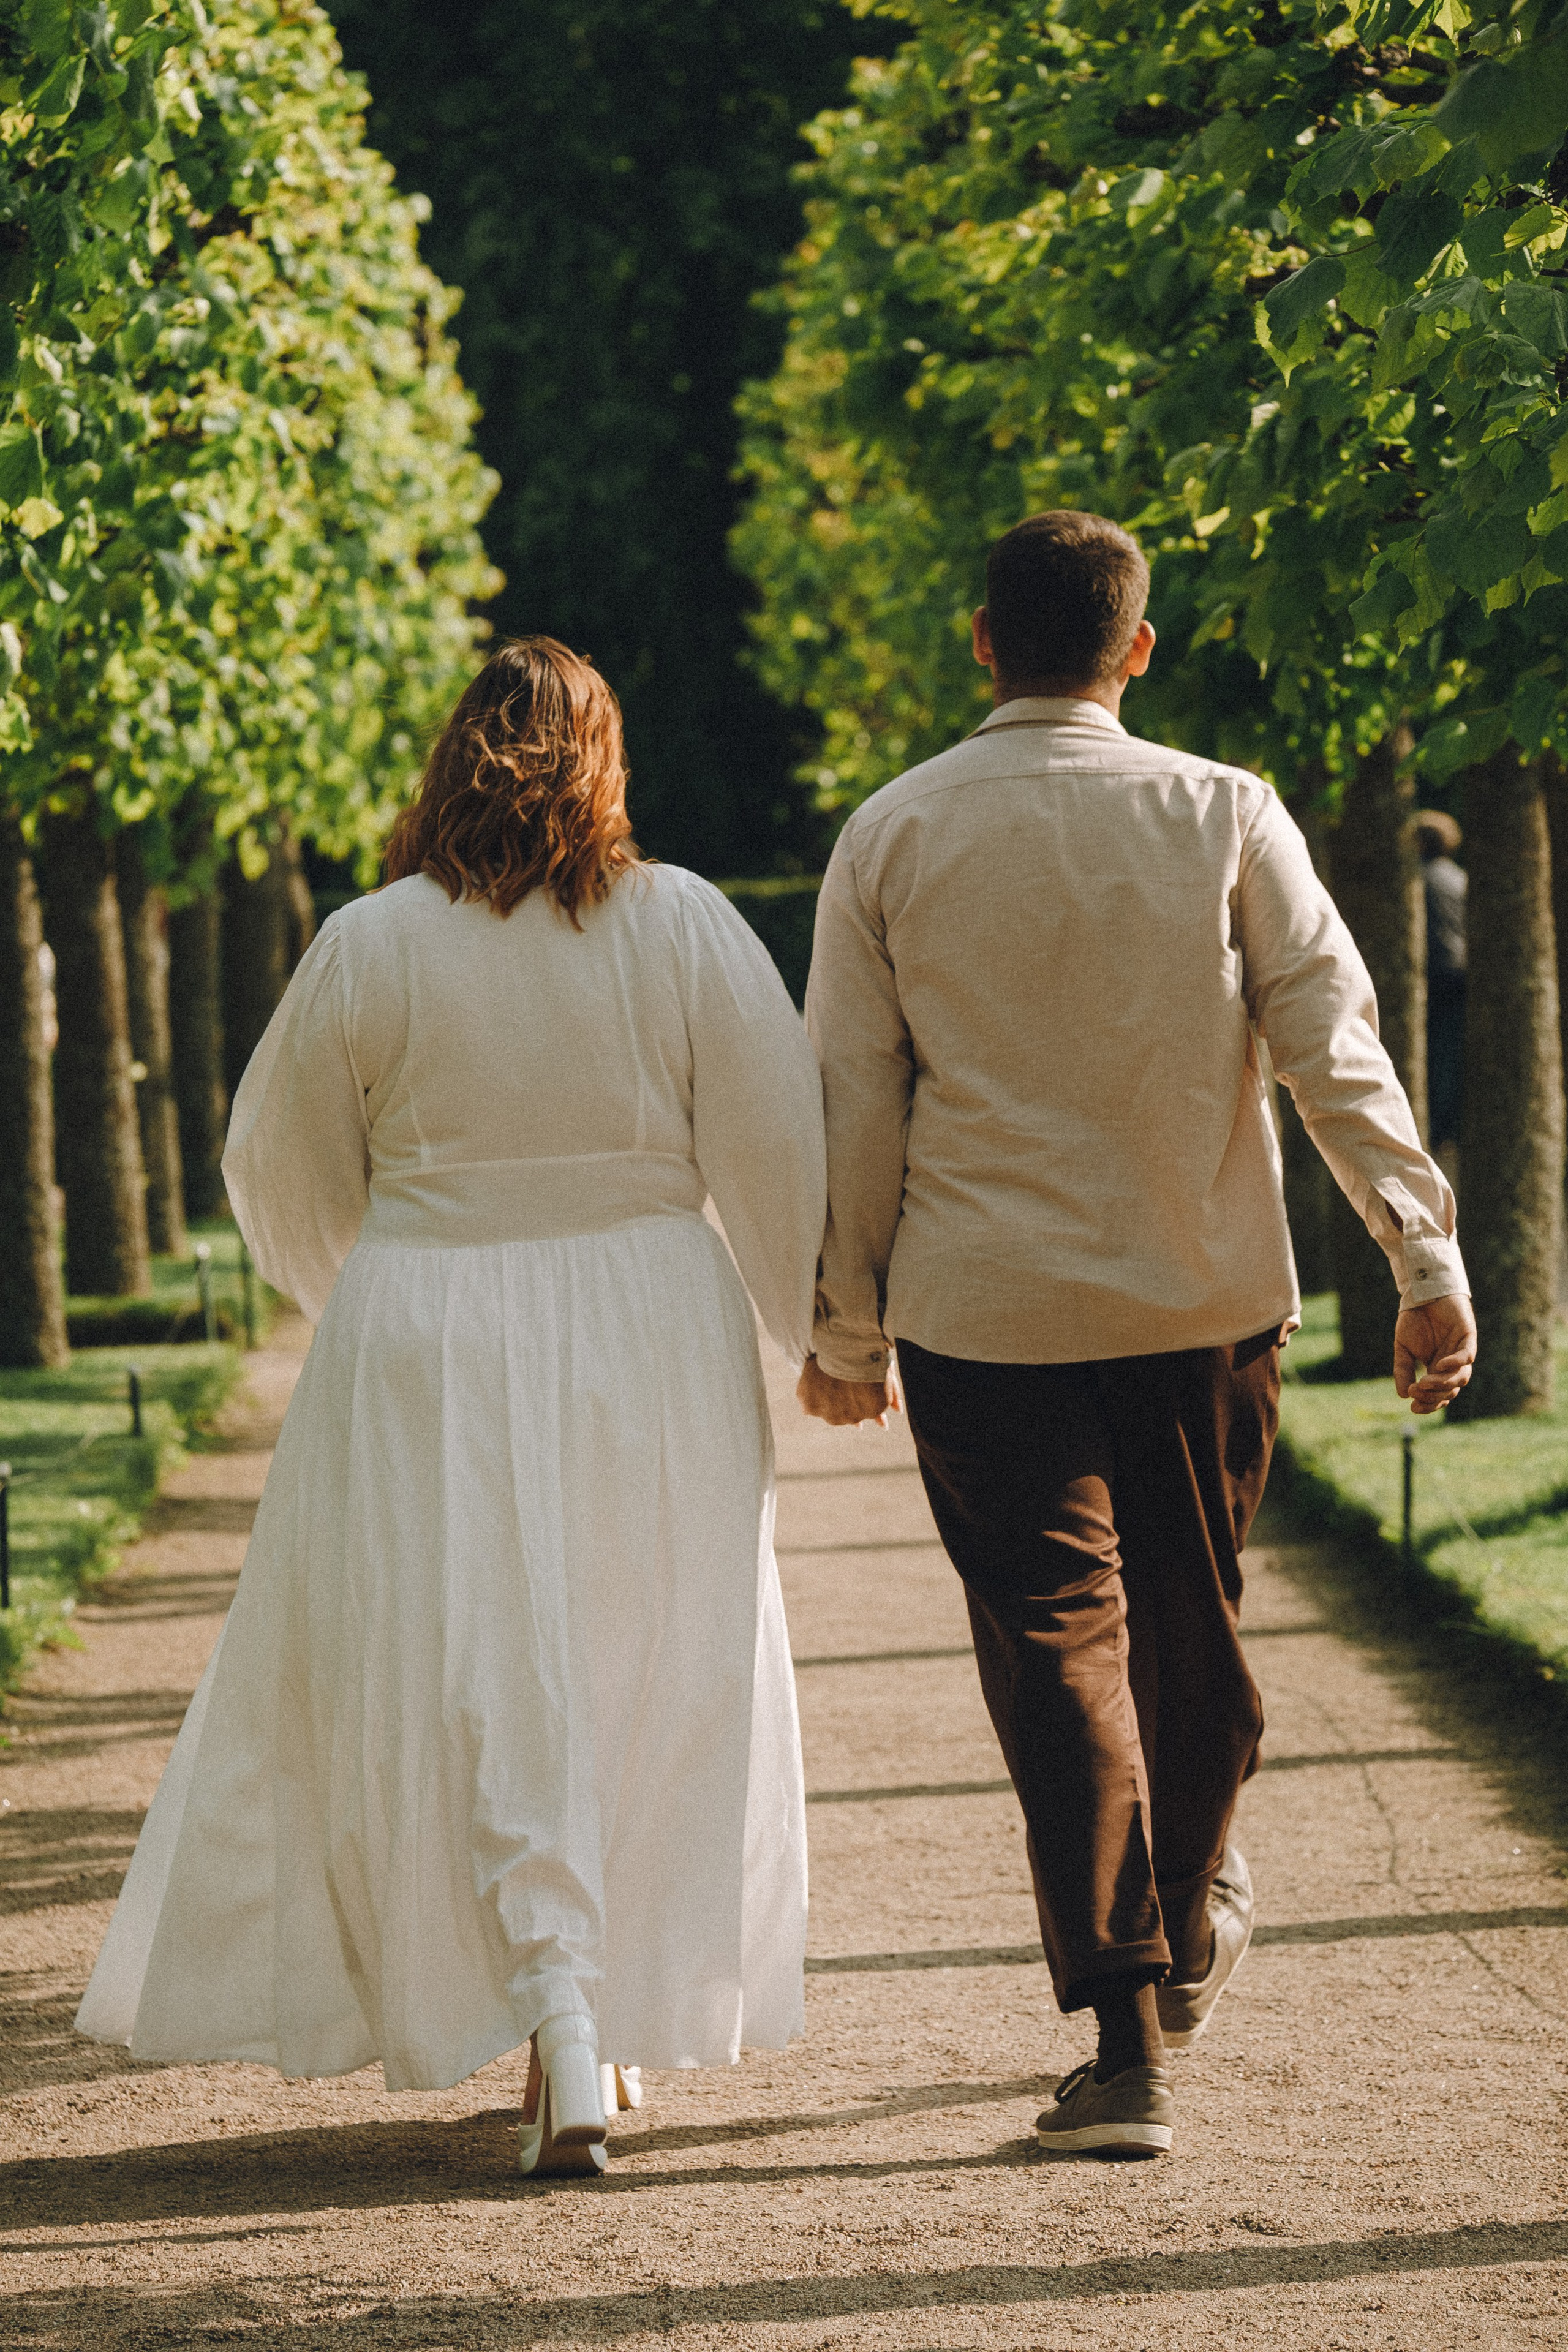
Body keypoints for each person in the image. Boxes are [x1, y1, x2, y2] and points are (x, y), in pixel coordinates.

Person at [77, 637, 827, 2179]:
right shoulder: (682, 925)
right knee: (641, 1650)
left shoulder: (367, 943)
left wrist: (373, 1291)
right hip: (645, 1323)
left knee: (478, 1660)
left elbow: (273, 1167)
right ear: (604, 761)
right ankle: (583, 2009)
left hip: (431, 1320)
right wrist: (814, 1321)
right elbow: (774, 1147)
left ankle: (561, 2005)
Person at [797, 512, 1476, 2161]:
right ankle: (1185, 1913)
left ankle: (1122, 2032)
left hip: (984, 1317)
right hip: (1202, 1305)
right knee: (1194, 1627)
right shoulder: (1224, 811)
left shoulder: (891, 834)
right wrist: (1421, 1246)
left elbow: (852, 1105)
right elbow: (1334, 1041)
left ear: (980, 642)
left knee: (1056, 1653)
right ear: (1139, 646)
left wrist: (847, 1323)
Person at [1418, 809, 1467, 1162]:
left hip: (1432, 973)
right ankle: (1447, 1130)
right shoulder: (1460, 879)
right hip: (1459, 973)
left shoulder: (1417, 881)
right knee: (1448, 1052)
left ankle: (1433, 1129)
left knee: (1430, 1053)